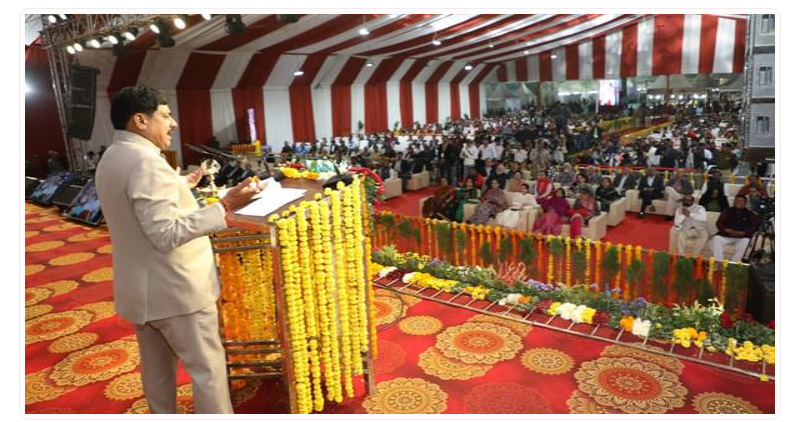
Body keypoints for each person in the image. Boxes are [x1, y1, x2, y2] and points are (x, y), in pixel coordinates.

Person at [95, 86, 261, 414]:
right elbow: (166, 234)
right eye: (166, 115)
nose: (173, 123)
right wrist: (224, 206)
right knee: (208, 372)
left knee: (157, 372)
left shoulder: (114, 155)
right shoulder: (146, 162)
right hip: (176, 290)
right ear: (140, 120)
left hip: (143, 291)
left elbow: (135, 204)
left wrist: (179, 185)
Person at [712, 195, 760, 262]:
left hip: (742, 237)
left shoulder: (750, 214)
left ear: (745, 203)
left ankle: (733, 263)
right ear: (734, 201)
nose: (738, 202)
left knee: (746, 242)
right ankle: (719, 262)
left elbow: (754, 226)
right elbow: (719, 223)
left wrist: (743, 232)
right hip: (726, 235)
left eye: (741, 201)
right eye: (737, 200)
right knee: (716, 239)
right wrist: (726, 230)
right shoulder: (727, 211)